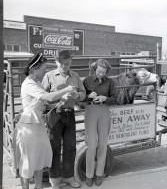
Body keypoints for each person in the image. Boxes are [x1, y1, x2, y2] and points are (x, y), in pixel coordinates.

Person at [12, 53, 76, 189]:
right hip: (29, 127)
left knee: (39, 161)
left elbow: (46, 104)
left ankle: (39, 187)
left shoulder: (37, 83)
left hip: (38, 126)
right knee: (28, 162)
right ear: (35, 69)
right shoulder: (29, 84)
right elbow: (48, 96)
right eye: (43, 69)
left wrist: (60, 102)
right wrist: (67, 89)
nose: (45, 71)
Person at [42, 50, 86, 189]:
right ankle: (55, 180)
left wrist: (77, 95)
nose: (64, 66)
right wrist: (58, 100)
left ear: (71, 62)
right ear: (56, 62)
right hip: (54, 114)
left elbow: (84, 94)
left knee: (70, 147)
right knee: (54, 147)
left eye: (67, 63)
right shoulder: (49, 76)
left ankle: (69, 177)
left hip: (70, 114)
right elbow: (42, 99)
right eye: (61, 63)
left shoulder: (76, 76)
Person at [82, 58, 117, 187]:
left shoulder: (110, 82)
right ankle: (89, 175)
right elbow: (81, 99)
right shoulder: (87, 80)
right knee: (91, 145)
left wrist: (105, 98)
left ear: (107, 71)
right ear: (95, 68)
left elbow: (114, 98)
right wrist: (87, 97)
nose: (101, 74)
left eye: (104, 72)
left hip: (104, 111)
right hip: (90, 110)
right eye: (99, 71)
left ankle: (99, 174)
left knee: (103, 144)